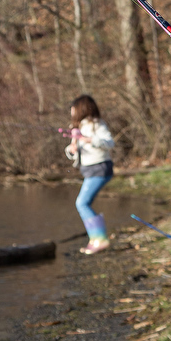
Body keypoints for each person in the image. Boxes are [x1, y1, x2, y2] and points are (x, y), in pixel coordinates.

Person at [65, 95, 115, 255]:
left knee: (82, 204)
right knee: (84, 204)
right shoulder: (78, 127)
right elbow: (74, 151)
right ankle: (95, 240)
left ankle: (100, 240)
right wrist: (71, 150)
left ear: (81, 109)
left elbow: (109, 143)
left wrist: (89, 139)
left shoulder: (96, 124)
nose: (71, 113)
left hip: (99, 169)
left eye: (73, 110)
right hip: (89, 170)